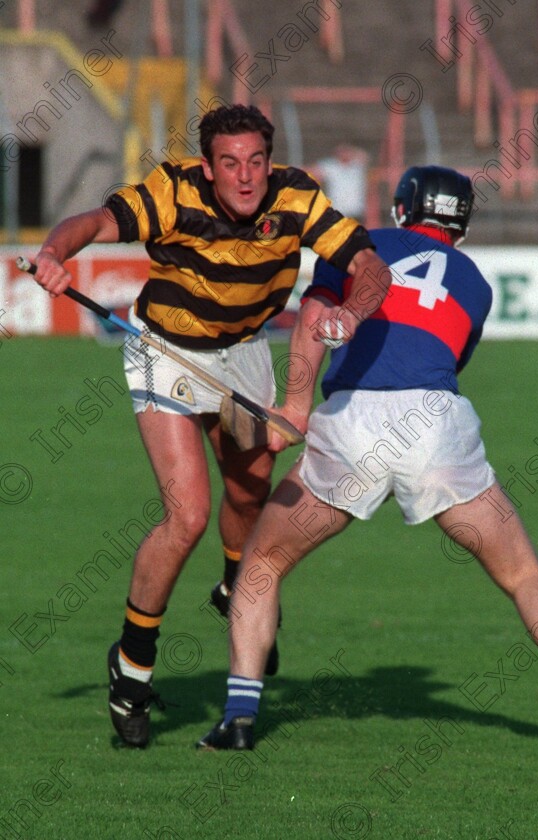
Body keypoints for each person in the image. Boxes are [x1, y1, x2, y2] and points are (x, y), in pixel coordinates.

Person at [198, 164, 538, 750]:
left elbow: (316, 323)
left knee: (262, 563)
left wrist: (295, 407)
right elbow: (441, 359)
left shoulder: (355, 246)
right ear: (461, 223)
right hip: (436, 423)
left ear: (403, 208)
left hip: (353, 422)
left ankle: (239, 719)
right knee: (524, 574)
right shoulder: (476, 282)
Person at [31, 104, 390, 748]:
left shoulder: (298, 197)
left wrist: (356, 314)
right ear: (208, 166)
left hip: (244, 354)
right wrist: (55, 254)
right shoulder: (173, 191)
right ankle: (132, 664)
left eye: (256, 161)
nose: (246, 177)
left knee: (251, 495)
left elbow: (370, 266)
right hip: (165, 351)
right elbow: (92, 220)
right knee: (188, 513)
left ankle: (235, 585)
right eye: (230, 164)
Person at [308, 144, 369, 222]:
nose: (344, 154)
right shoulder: (331, 166)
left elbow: (364, 156)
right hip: (338, 211)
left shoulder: (357, 166)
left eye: (346, 151)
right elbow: (313, 171)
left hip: (356, 211)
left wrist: (352, 152)